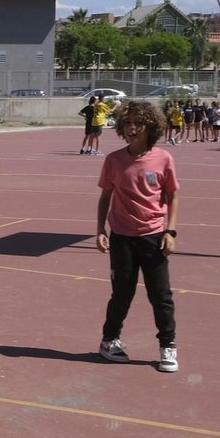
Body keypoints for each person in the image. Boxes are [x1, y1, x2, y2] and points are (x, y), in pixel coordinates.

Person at [94, 100, 180, 373]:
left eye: (138, 123)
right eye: (128, 123)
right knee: (121, 294)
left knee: (161, 295)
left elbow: (172, 196)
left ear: (151, 126)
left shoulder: (163, 158)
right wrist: (99, 230)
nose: (132, 128)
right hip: (121, 237)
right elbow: (105, 196)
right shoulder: (114, 160)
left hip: (154, 237)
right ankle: (109, 341)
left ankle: (168, 346)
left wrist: (170, 230)